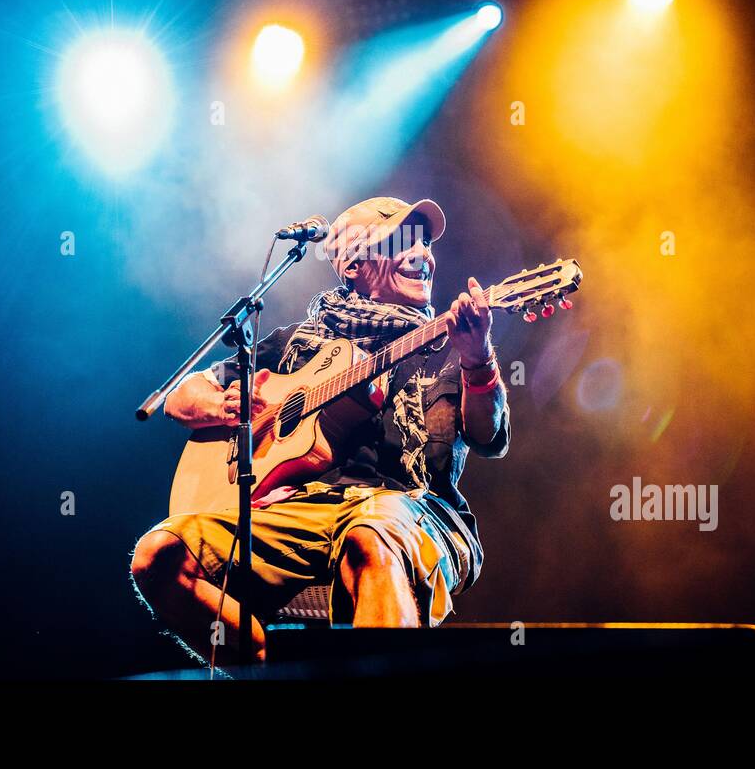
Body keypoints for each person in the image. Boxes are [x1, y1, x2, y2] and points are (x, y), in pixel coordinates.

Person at [130, 197, 510, 664]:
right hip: (297, 509)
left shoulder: (451, 340)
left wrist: (479, 357)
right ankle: (269, 672)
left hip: (408, 509)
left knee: (370, 538)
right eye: (402, 242)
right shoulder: (295, 344)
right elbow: (182, 396)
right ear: (353, 264)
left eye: (426, 243)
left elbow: (490, 435)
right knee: (158, 555)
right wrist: (226, 404)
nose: (423, 254)